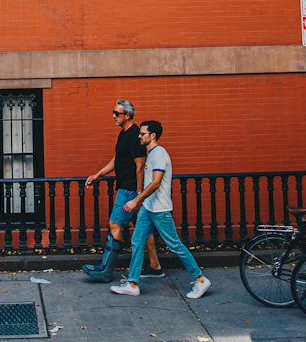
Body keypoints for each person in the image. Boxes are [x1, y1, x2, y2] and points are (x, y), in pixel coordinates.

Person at [110, 119, 211, 300]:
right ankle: (132, 284)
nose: (139, 136)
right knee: (137, 242)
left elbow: (156, 183)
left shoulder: (159, 154)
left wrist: (136, 200)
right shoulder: (152, 154)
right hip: (149, 208)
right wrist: (142, 201)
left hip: (160, 210)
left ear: (152, 135)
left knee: (175, 245)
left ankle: (200, 279)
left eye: (143, 134)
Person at [82, 99, 162, 283]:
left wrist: (139, 195)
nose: (113, 116)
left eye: (116, 113)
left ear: (127, 115)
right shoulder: (124, 134)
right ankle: (155, 266)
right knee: (143, 227)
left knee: (115, 224)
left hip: (129, 189)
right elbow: (118, 159)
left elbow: (140, 165)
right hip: (130, 188)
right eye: (113, 112)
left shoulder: (135, 135)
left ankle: (106, 271)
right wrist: (98, 175)